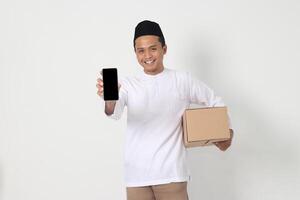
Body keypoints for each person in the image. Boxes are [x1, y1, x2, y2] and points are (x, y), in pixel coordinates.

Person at [96, 20, 233, 200]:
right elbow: (114, 113)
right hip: (136, 176)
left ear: (164, 49)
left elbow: (215, 101)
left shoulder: (182, 80)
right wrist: (110, 100)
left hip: (171, 174)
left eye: (153, 48)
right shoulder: (128, 85)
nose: (147, 55)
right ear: (135, 53)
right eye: (141, 51)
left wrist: (226, 132)